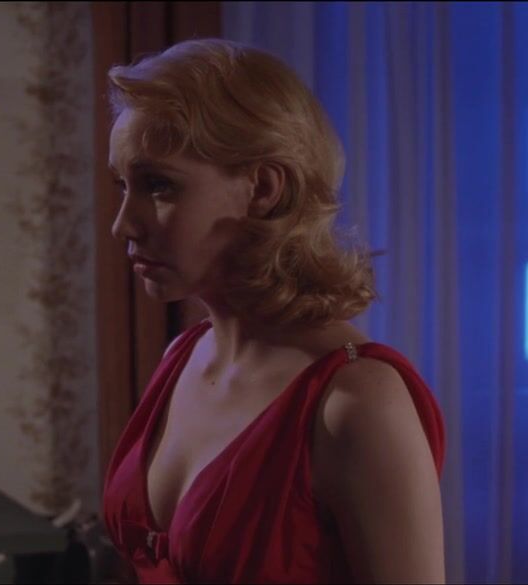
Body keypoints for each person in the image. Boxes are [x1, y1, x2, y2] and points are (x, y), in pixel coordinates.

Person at [100, 39, 447, 583]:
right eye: (123, 185)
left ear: (262, 188)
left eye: (159, 185)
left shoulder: (357, 401)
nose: (123, 223)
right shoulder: (183, 355)